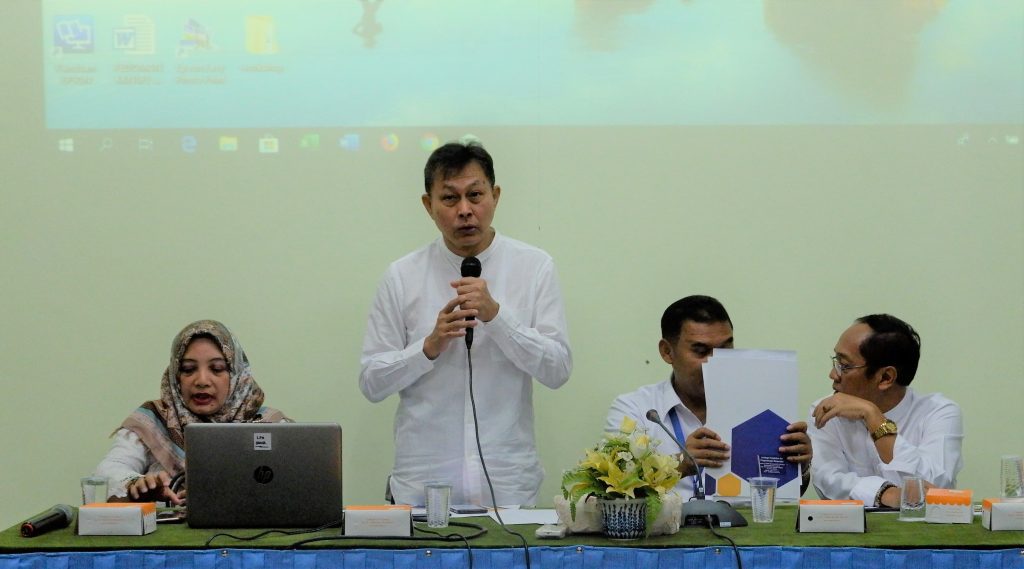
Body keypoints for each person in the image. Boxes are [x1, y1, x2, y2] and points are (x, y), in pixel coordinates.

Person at [359, 140, 572, 507]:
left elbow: (557, 370)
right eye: (450, 199)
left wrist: (498, 317)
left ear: (496, 195)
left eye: (475, 195)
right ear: (428, 205)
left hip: (506, 487)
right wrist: (427, 348)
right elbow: (371, 382)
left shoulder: (534, 267)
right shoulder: (402, 276)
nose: (465, 211)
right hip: (422, 486)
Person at [605, 295, 812, 499]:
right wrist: (680, 464)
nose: (715, 363)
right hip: (668, 529)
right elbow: (617, 489)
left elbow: (778, 501)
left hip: (741, 529)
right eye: (701, 351)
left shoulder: (762, 408)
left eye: (724, 349)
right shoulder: (636, 409)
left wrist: (797, 467)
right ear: (667, 351)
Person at [94, 320, 289, 503]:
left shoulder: (267, 424)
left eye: (217, 368)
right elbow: (107, 470)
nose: (202, 380)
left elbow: (300, 477)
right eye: (188, 369)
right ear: (176, 376)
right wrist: (136, 483)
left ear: (237, 375)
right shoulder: (154, 421)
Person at [808, 314, 963, 507]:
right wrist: (886, 494)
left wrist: (873, 416)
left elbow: (936, 490)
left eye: (844, 366)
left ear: (886, 377)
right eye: (835, 361)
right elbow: (829, 480)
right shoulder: (826, 410)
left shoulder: (939, 412)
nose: (833, 374)